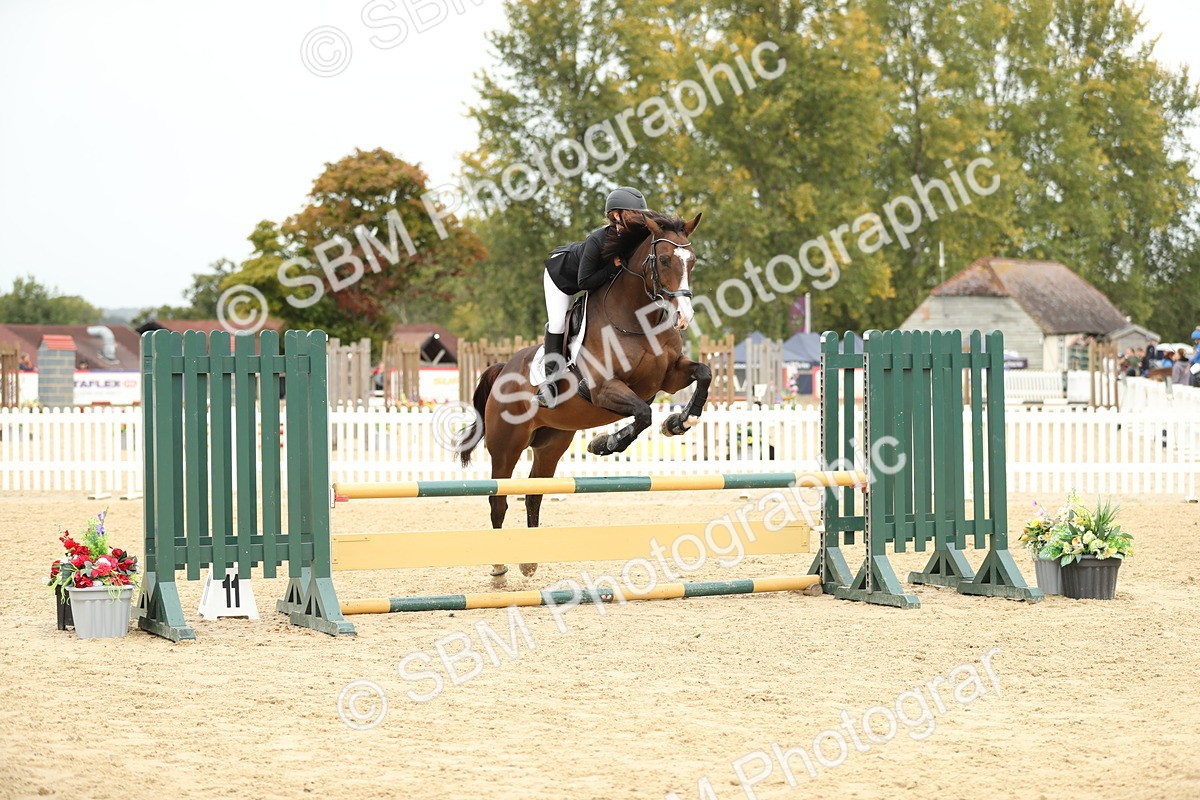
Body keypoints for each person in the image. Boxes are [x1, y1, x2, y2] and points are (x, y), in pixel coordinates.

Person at [536, 186, 654, 408]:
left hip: (595, 278)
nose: (640, 217)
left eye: (641, 213)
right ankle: (549, 385)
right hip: (562, 278)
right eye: (633, 213)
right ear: (616, 215)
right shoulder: (597, 240)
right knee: (558, 322)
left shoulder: (635, 237)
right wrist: (611, 267)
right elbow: (584, 282)